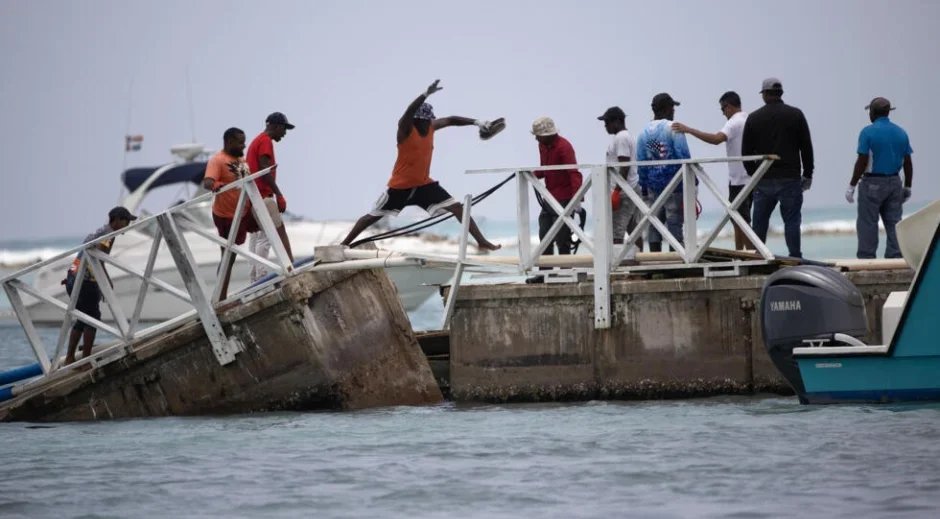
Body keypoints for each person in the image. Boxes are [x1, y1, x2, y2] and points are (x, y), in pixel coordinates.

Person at [340, 80, 501, 252]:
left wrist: (478, 122)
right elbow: (407, 113)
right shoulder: (405, 131)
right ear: (415, 121)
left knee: (458, 208)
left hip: (424, 184)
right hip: (400, 187)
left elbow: (451, 120)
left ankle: (481, 242)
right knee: (371, 217)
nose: (427, 124)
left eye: (429, 121)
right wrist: (425, 94)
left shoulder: (430, 126)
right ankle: (343, 244)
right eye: (423, 121)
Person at [672, 91, 755, 250]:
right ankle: (741, 253)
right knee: (738, 218)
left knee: (740, 219)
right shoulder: (749, 119)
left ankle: (751, 254)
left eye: (723, 110)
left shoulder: (733, 122)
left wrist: (689, 130)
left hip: (739, 178)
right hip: (752, 176)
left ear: (728, 107)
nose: (723, 114)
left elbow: (717, 139)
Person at [741, 78, 814, 258]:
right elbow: (806, 146)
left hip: (764, 178)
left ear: (765, 95)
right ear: (781, 93)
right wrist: (808, 173)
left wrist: (754, 174)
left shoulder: (754, 117)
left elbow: (746, 152)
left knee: (760, 222)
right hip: (790, 177)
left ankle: (758, 256)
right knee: (791, 221)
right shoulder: (795, 114)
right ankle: (795, 256)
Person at [62, 206, 137, 365]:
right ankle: (86, 361)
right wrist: (106, 282)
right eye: (126, 221)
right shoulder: (107, 235)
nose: (128, 225)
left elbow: (81, 256)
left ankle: (70, 358)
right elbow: (99, 261)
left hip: (74, 276)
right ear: (116, 220)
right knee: (93, 318)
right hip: (85, 281)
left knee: (83, 319)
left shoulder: (100, 231)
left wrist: (71, 276)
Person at [845, 97, 914, 259]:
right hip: (895, 182)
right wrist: (908, 186)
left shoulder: (867, 132)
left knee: (868, 223)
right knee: (894, 222)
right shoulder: (901, 132)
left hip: (872, 183)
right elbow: (908, 162)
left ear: (873, 112)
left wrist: (852, 185)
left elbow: (862, 161)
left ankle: (867, 258)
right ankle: (895, 257)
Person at [634, 93, 691, 252]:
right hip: (674, 184)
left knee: (654, 223)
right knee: (674, 221)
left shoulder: (643, 132)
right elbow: (684, 156)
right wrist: (693, 183)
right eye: (672, 107)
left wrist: (644, 185)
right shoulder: (673, 127)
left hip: (653, 185)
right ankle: (677, 258)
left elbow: (641, 162)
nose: (674, 111)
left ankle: (655, 258)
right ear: (666, 108)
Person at [202, 127, 253, 301]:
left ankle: (265, 277)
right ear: (229, 141)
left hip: (243, 212)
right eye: (240, 142)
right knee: (228, 256)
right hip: (226, 215)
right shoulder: (218, 160)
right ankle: (219, 298)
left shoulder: (241, 159)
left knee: (232, 254)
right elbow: (207, 182)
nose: (244, 145)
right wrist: (216, 185)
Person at [246, 112, 295, 282]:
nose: (285, 133)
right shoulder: (265, 141)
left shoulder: (257, 140)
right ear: (275, 126)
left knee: (257, 238)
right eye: (284, 129)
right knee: (267, 238)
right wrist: (279, 195)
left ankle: (254, 277)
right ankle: (261, 278)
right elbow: (264, 169)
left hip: (254, 197)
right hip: (263, 196)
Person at [531, 116, 583, 257]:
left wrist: (577, 200)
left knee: (563, 236)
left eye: (538, 136)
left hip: (565, 198)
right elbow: (545, 169)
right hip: (549, 196)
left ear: (547, 135)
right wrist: (530, 174)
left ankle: (564, 271)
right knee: (544, 234)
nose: (536, 139)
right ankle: (545, 272)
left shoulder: (564, 147)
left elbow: (574, 173)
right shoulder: (542, 145)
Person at [598, 106, 642, 255]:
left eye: (607, 122)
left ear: (617, 121)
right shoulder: (626, 136)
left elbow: (624, 165)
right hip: (630, 187)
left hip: (624, 190)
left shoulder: (621, 138)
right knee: (633, 227)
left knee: (617, 230)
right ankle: (639, 257)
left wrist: (617, 191)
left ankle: (617, 264)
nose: (605, 126)